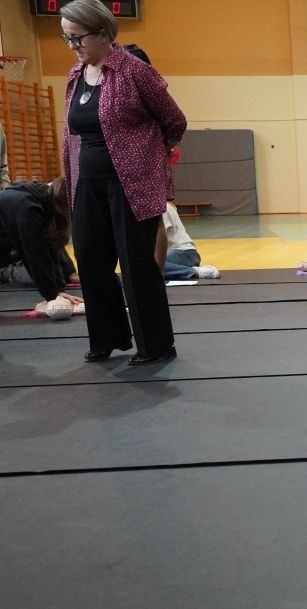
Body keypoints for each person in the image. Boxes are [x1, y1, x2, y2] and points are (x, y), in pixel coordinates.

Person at [60, 0, 186, 364]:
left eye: (78, 38)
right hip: (87, 182)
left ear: (103, 33)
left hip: (132, 182)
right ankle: (108, 338)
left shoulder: (134, 71)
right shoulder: (75, 74)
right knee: (90, 259)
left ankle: (156, 345)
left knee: (136, 264)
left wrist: (147, 155)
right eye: (67, 38)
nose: (72, 46)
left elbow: (174, 121)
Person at [0, 178, 74, 303]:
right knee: (34, 274)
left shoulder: (43, 198)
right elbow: (34, 254)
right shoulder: (27, 209)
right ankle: (3, 272)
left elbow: (51, 245)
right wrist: (53, 294)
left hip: (9, 246)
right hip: (7, 255)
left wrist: (68, 274)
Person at [158, 202, 219, 280]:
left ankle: (193, 271)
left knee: (149, 266)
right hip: (185, 255)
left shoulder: (159, 207)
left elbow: (160, 239)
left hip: (185, 254)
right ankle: (179, 269)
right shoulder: (161, 205)